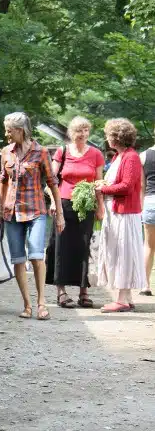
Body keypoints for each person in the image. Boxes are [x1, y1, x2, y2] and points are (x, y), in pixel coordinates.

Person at [0, 112, 64, 320]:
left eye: (9, 130)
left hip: (36, 211)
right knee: (18, 259)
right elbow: (3, 181)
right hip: (12, 212)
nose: (6, 134)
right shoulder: (6, 152)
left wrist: (59, 213)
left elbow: (53, 184)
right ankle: (27, 305)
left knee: (36, 256)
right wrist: (2, 208)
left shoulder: (41, 152)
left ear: (21, 130)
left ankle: (42, 303)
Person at [46, 117, 105, 308]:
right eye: (79, 131)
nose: (83, 134)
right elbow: (52, 179)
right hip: (63, 204)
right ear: (72, 133)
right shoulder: (62, 152)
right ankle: (61, 292)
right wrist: (54, 202)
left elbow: (98, 183)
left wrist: (100, 206)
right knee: (61, 246)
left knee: (83, 247)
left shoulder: (96, 154)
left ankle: (83, 291)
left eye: (86, 130)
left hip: (86, 206)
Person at [96, 118, 146, 312]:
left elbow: (126, 186)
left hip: (125, 214)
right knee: (119, 253)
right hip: (116, 212)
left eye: (109, 135)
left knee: (123, 254)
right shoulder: (118, 157)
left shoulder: (131, 157)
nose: (107, 138)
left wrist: (103, 189)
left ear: (117, 137)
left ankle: (122, 299)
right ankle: (127, 297)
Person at [140, 141, 155, 296]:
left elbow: (141, 186)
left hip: (151, 201)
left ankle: (145, 285)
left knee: (149, 246)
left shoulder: (143, 156)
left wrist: (141, 207)